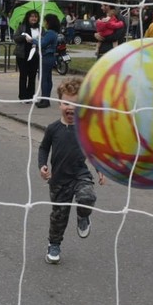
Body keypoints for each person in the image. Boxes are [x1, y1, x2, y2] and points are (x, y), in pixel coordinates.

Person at [38, 77, 106, 264]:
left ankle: (83, 216)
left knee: (87, 197)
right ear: (60, 103)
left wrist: (100, 168)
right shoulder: (53, 129)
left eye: (76, 104)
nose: (71, 108)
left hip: (80, 175)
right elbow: (44, 148)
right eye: (66, 103)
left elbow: (92, 151)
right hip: (58, 180)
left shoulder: (85, 129)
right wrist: (42, 166)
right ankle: (54, 245)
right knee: (59, 217)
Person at [14, 10, 41, 102]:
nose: (34, 18)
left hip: (35, 55)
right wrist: (24, 38)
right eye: (32, 16)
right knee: (23, 75)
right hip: (23, 55)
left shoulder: (40, 28)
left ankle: (30, 95)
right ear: (28, 17)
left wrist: (38, 41)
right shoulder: (22, 27)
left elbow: (44, 40)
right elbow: (16, 38)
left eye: (36, 17)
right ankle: (23, 96)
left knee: (32, 76)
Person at [36, 13, 60, 108]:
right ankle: (45, 98)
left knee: (43, 79)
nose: (44, 23)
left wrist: (33, 40)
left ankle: (45, 100)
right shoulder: (53, 33)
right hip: (50, 57)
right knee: (47, 78)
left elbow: (42, 44)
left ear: (49, 22)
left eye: (45, 21)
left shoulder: (50, 33)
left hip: (46, 57)